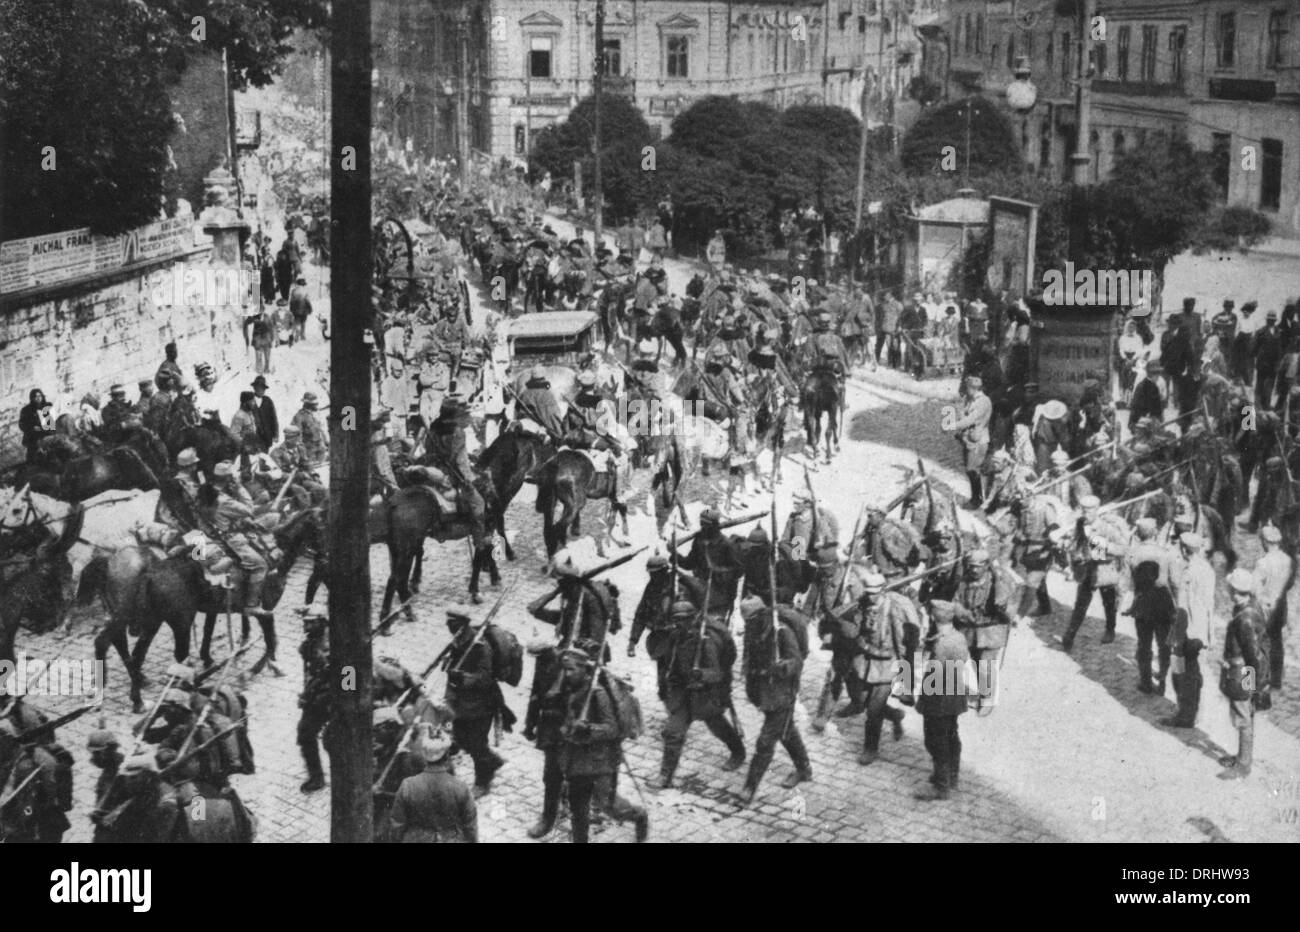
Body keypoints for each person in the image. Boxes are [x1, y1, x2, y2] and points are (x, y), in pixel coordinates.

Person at [555, 646, 649, 843]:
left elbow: (611, 729)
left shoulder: (598, 694)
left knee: (609, 806)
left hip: (602, 762)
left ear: (584, 670)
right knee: (578, 810)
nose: (567, 674)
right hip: (577, 760)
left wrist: (588, 729)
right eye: (565, 669)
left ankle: (638, 816)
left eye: (571, 669)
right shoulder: (568, 689)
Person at [650, 597, 746, 789]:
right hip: (683, 694)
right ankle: (665, 775)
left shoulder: (706, 641)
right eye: (675, 620)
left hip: (705, 695)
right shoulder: (676, 637)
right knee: (673, 733)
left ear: (691, 619)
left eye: (682, 620)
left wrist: (701, 674)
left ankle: (738, 751)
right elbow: (667, 662)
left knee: (717, 725)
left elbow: (718, 672)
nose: (678, 624)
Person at [738, 597, 813, 804]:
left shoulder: (782, 632)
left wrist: (783, 666)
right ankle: (804, 768)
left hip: (783, 692)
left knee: (765, 741)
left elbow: (796, 661)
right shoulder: (755, 631)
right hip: (765, 692)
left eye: (753, 618)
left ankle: (749, 788)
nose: (750, 623)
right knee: (786, 731)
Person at [909, 600, 971, 800]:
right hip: (954, 697)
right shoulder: (957, 637)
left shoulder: (942, 644)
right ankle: (951, 777)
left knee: (935, 741)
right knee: (952, 737)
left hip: (939, 699)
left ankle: (941, 786)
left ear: (934, 618)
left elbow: (936, 674)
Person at [441, 608, 506, 798]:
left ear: (463, 624)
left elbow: (484, 678)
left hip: (482, 704)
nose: (448, 627)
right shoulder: (458, 641)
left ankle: (482, 782)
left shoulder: (480, 646)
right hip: (461, 703)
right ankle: (492, 760)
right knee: (461, 739)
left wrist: (462, 678)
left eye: (452, 623)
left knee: (477, 744)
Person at [387, 723, 478, 842]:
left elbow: (397, 824)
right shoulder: (460, 788)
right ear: (446, 756)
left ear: (424, 756)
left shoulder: (407, 786)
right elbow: (470, 826)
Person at [1161, 531, 1214, 728]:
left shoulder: (1190, 572)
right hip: (1200, 630)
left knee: (1183, 672)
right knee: (1193, 673)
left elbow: (1186, 606)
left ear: (1184, 549)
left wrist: (1179, 635)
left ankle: (1185, 714)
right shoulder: (1206, 569)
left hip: (1188, 631)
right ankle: (1192, 711)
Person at [1062, 495, 1128, 651]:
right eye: (1084, 511)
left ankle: (1110, 629)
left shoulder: (1107, 527)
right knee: (1080, 605)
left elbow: (1122, 548)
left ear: (1097, 510)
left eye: (1089, 511)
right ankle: (1069, 635)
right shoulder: (1079, 524)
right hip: (1086, 571)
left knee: (1109, 603)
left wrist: (1103, 547)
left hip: (1104, 571)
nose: (1086, 514)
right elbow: (1075, 542)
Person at [1219, 570, 1268, 779]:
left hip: (1245, 671)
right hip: (1248, 670)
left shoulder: (1244, 618)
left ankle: (1244, 764)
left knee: (1243, 714)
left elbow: (1252, 654)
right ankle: (1241, 756)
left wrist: (1253, 683)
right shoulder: (1250, 608)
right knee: (1246, 712)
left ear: (1235, 591)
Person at [1125, 518, 1176, 695]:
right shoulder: (1164, 553)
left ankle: (1146, 682)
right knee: (1164, 645)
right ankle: (1162, 681)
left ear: (1138, 534)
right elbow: (1169, 580)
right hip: (1162, 603)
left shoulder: (1133, 553)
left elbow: (1130, 582)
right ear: (1155, 532)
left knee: (1144, 644)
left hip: (1143, 603)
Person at [296, 610, 330, 793]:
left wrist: (311, 696)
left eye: (311, 623)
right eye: (305, 622)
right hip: (316, 695)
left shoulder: (325, 646)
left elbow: (346, 675)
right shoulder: (312, 642)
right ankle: (316, 776)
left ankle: (317, 778)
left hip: (325, 698)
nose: (306, 627)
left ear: (322, 623)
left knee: (306, 734)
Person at [1254, 525, 1291, 690]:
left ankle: (1255, 682)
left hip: (1265, 607)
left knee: (1258, 644)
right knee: (1277, 642)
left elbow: (1254, 587)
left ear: (1265, 542)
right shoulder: (1287, 560)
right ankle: (1276, 679)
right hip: (1281, 606)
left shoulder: (1263, 563)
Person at [950, 376, 992, 508]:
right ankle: (976, 497)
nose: (965, 390)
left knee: (972, 470)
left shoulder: (983, 402)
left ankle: (977, 499)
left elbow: (970, 420)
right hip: (969, 440)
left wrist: (952, 425)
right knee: (970, 470)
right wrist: (959, 407)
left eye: (967, 388)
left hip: (979, 441)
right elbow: (963, 415)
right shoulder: (970, 400)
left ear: (973, 388)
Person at [291, 392, 328, 467]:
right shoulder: (299, 417)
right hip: (309, 451)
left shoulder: (317, 414)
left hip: (320, 448)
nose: (317, 405)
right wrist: (303, 455)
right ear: (308, 404)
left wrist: (327, 443)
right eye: (315, 404)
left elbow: (321, 430)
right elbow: (297, 438)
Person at [18, 388, 55, 463]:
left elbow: (53, 420)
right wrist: (32, 428)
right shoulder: (26, 410)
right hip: (34, 435)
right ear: (32, 398)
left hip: (48, 433)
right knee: (34, 458)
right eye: (35, 397)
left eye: (40, 396)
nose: (38, 398)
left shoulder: (48, 406)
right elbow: (22, 424)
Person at [370, 410, 399, 500]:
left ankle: (395, 491)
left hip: (379, 448)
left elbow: (389, 438)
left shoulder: (384, 424)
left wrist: (375, 443)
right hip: (373, 448)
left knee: (385, 472)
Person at [1129, 359, 1165, 425]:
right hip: (1139, 421)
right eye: (1157, 374)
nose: (1158, 377)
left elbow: (1157, 408)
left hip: (1143, 419)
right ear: (1152, 374)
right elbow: (1139, 409)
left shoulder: (1146, 385)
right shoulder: (1146, 387)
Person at [250, 375, 279, 451]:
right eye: (258, 387)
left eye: (262, 388)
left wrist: (276, 434)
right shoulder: (249, 400)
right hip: (253, 438)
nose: (261, 390)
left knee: (264, 458)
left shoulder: (268, 401)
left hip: (266, 438)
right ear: (254, 388)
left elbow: (274, 419)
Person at [289, 276, 312, 343]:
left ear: (297, 284)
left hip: (296, 310)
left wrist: (291, 309)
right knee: (303, 322)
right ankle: (302, 335)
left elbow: (291, 301)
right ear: (304, 285)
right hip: (304, 310)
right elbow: (308, 301)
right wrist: (310, 309)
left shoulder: (294, 291)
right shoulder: (306, 291)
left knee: (297, 322)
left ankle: (297, 334)